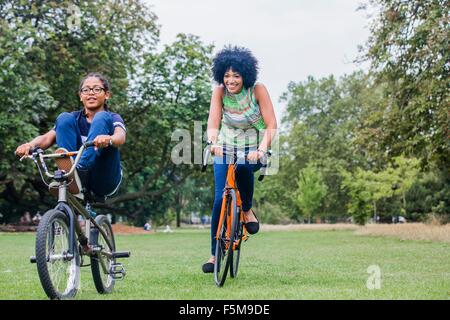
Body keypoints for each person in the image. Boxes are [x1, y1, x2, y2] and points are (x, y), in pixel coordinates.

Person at [202, 46, 277, 273]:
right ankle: (215, 255)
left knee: (244, 167)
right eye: (226, 75)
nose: (230, 80)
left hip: (254, 147)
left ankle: (245, 209)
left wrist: (262, 150)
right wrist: (213, 143)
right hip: (225, 147)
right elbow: (213, 124)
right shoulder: (219, 92)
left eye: (236, 75)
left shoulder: (257, 90)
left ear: (245, 75)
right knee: (218, 200)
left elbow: (271, 125)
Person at [15, 72, 126, 198]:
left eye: (96, 89)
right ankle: (71, 173)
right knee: (63, 118)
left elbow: (120, 136)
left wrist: (109, 138)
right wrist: (29, 145)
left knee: (102, 117)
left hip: (104, 178)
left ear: (107, 95)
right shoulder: (74, 119)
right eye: (86, 90)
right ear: (80, 96)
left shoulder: (112, 117)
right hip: (75, 177)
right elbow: (46, 138)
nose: (91, 93)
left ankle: (78, 170)